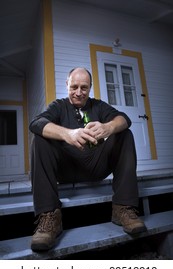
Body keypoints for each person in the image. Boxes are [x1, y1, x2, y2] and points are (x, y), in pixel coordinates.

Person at [29, 67, 146, 252]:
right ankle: (49, 218)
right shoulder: (58, 106)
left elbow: (124, 119)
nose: (78, 92)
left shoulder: (98, 106)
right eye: (74, 86)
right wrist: (68, 134)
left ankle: (123, 208)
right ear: (66, 84)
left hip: (96, 166)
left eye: (84, 87)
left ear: (90, 87)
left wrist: (108, 127)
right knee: (40, 138)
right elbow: (36, 123)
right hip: (65, 169)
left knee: (125, 133)